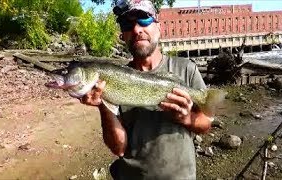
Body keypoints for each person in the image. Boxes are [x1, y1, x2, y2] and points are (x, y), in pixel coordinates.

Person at [80, 0, 212, 179]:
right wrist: (103, 104)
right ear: (122, 35)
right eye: (127, 24)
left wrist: (186, 118)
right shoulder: (112, 78)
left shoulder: (186, 69)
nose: (136, 29)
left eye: (143, 19)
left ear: (159, 27)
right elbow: (118, 148)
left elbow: (205, 125)